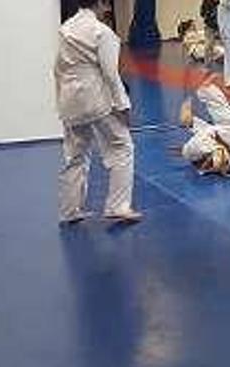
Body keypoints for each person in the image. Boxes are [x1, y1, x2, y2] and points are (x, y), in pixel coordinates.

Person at [54, 0, 142, 225]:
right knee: (122, 147)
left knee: (75, 155)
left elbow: (59, 69)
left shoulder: (66, 29)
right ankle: (118, 205)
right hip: (96, 98)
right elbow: (111, 75)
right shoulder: (102, 33)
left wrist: (60, 99)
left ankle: (70, 210)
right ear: (101, 3)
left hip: (70, 99)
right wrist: (124, 107)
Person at [178, 79, 230, 175]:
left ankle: (205, 90)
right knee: (205, 132)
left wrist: (219, 140)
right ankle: (191, 121)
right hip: (212, 141)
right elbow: (229, 150)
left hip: (215, 141)